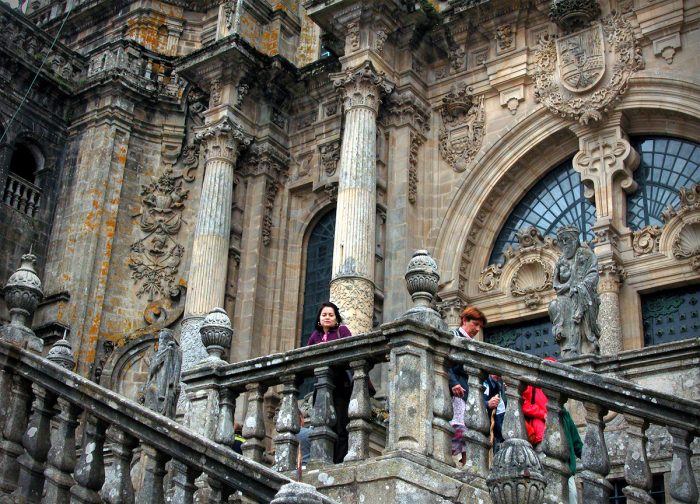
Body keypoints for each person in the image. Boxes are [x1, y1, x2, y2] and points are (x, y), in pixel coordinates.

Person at [305, 301, 352, 463]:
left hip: (340, 386)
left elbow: (351, 351)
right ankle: (323, 457)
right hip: (321, 386)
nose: (327, 318)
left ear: (336, 318)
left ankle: (339, 459)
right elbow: (306, 359)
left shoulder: (343, 331)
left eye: (331, 315)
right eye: (324, 315)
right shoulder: (315, 336)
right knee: (321, 425)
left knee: (340, 425)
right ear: (319, 318)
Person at [549, 225, 601, 358]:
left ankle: (584, 346)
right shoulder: (561, 260)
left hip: (582, 294)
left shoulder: (586, 255)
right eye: (561, 241)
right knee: (554, 305)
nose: (564, 243)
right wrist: (567, 286)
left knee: (577, 298)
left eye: (567, 239)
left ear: (575, 239)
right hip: (564, 296)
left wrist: (580, 287)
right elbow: (556, 282)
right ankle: (568, 347)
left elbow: (593, 274)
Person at [448, 306, 487, 464]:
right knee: (458, 429)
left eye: (480, 327)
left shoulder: (472, 344)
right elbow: (445, 362)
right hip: (455, 391)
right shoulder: (453, 336)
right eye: (475, 324)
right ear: (464, 320)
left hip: (468, 391)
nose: (477, 329)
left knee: (468, 432)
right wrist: (453, 383)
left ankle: (465, 465)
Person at [562, 405, 583, 504]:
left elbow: (577, 443)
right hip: (546, 462)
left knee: (573, 495)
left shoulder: (565, 414)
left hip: (567, 467)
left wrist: (587, 456)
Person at [483, 374, 506, 454]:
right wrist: (487, 404)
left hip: (498, 431)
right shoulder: (484, 380)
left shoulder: (501, 384)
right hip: (484, 426)